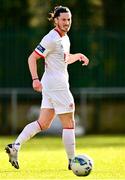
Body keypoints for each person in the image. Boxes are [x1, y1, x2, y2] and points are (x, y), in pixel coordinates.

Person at [5, 6, 89, 170]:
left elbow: (63, 59)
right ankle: (73, 161)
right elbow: (32, 58)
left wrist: (77, 56)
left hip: (51, 85)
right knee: (69, 123)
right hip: (57, 86)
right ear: (56, 20)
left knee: (43, 123)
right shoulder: (51, 38)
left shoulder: (65, 38)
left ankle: (15, 146)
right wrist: (35, 79)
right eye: (63, 19)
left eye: (69, 19)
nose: (67, 22)